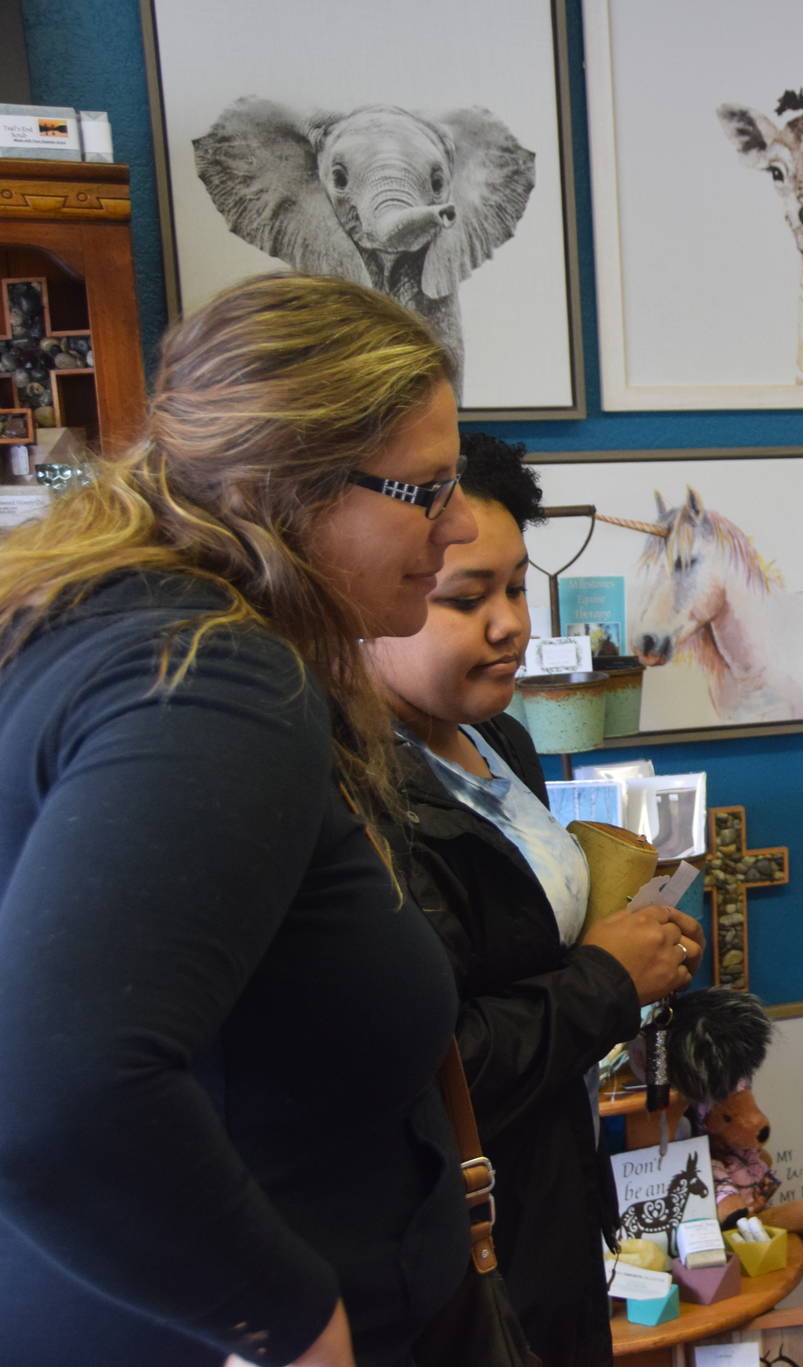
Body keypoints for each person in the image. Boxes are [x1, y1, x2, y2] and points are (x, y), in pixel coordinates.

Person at [0, 273, 479, 1366]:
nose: (454, 523)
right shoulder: (214, 677)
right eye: (424, 489)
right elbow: (54, 1093)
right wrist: (289, 1320)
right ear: (281, 488)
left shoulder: (85, 621)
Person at [366, 433, 705, 1364]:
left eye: (516, 586)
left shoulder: (501, 743)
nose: (510, 622)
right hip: (461, 1245)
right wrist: (606, 977)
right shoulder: (360, 799)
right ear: (372, 593)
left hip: (553, 1200)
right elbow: (437, 1067)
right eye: (467, 598)